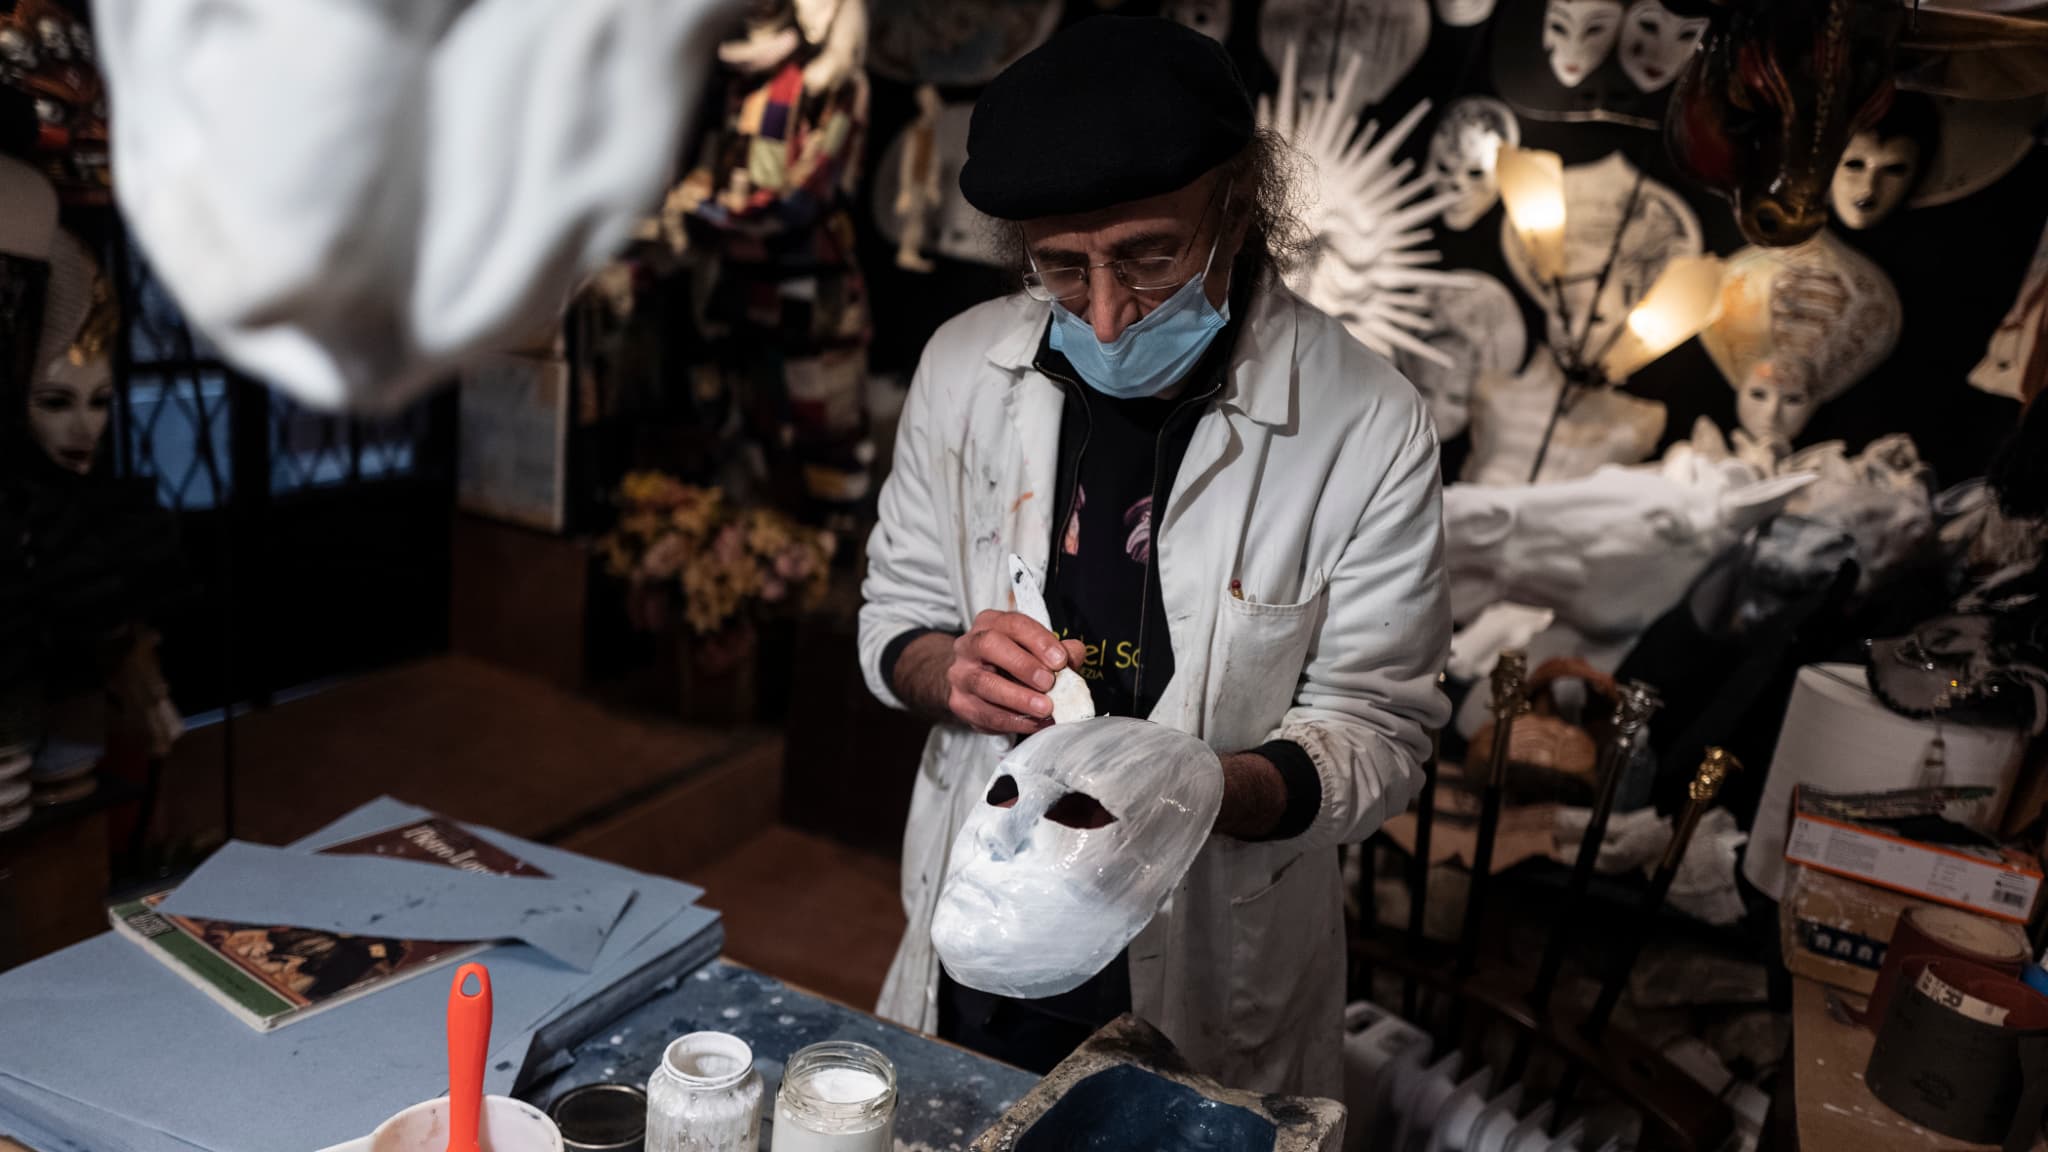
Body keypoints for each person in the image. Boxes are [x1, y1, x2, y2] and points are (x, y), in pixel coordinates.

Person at [857, 16, 1451, 1095]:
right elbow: (892, 612)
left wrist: (1199, 790)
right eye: (1059, 267)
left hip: (1208, 964)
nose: (1108, 312)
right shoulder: (960, 370)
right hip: (986, 930)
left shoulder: (1365, 422)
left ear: (1237, 203)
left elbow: (1380, 732)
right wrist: (947, 670)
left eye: (1148, 256)